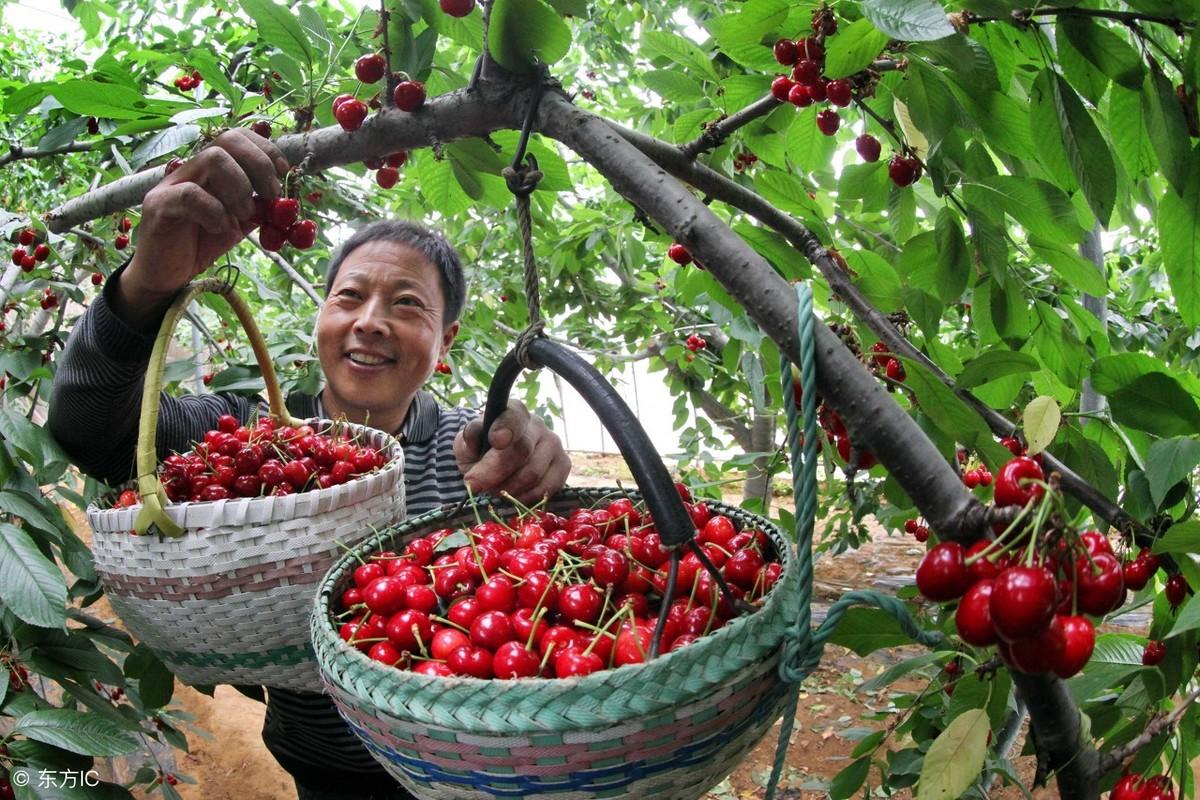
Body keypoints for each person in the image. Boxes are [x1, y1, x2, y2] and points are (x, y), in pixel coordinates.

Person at [47, 129, 572, 800]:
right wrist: (147, 286)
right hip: (327, 766)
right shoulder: (242, 440)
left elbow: (529, 546)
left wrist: (528, 467)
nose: (371, 321)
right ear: (322, 317)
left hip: (469, 763)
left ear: (446, 344)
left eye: (408, 305)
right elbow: (86, 428)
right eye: (349, 298)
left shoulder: (467, 450)